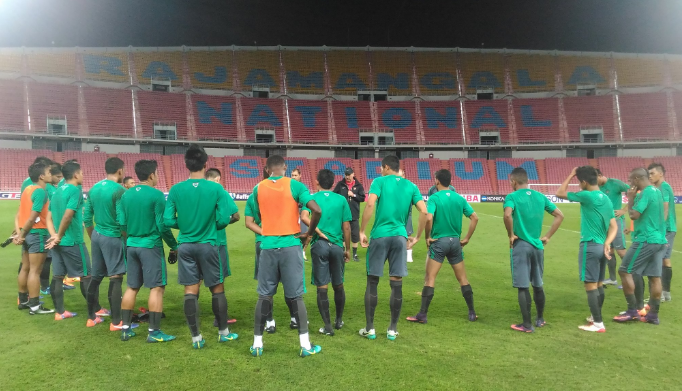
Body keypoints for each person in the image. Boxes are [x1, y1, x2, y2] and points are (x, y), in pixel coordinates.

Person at [163, 145, 240, 349]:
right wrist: (212, 226)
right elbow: (228, 217)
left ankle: (196, 338)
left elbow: (168, 220)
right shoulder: (215, 188)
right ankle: (223, 332)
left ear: (186, 164)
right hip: (208, 244)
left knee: (190, 290)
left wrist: (186, 225)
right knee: (217, 288)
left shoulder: (176, 189)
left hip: (186, 245)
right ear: (206, 165)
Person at [249, 155, 322, 358]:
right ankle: (305, 345)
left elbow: (249, 220)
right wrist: (308, 233)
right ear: (285, 167)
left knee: (264, 295)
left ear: (266, 169)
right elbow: (316, 210)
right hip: (290, 246)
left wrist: (266, 232)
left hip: (268, 246)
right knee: (296, 296)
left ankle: (257, 344)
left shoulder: (258, 188)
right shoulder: (295, 186)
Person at [359, 155, 427, 341]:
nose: (381, 171)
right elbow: (425, 212)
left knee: (373, 280)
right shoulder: (411, 186)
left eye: (382, 168)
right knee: (396, 282)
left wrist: (362, 230)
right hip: (399, 237)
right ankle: (392, 329)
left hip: (380, 235)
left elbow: (371, 203)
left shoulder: (379, 182)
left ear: (387, 167)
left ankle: (370, 328)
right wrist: (418, 236)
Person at [406, 169, 479, 324]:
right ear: (450, 181)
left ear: (437, 181)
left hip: (439, 242)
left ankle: (422, 315)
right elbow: (474, 217)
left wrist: (427, 237)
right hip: (455, 242)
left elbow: (429, 216)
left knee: (430, 278)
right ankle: (472, 312)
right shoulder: (459, 198)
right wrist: (466, 238)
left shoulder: (434, 198)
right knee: (463, 279)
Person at [118, 160, 178, 342]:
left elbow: (122, 223)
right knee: (157, 287)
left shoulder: (126, 196)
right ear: (152, 175)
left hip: (132, 244)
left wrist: (131, 239)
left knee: (132, 287)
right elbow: (162, 225)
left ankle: (126, 329)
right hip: (150, 245)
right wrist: (174, 246)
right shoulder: (157, 195)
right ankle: (154, 332)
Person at [557, 166, 617, 333]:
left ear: (583, 182)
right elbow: (613, 226)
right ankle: (595, 316)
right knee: (598, 285)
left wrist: (570, 174)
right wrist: (608, 243)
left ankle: (598, 323)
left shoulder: (586, 195)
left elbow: (560, 193)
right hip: (603, 247)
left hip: (589, 245)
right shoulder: (606, 198)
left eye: (578, 182)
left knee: (590, 286)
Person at [503, 167, 564, 333]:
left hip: (521, 245)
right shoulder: (540, 196)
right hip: (538, 246)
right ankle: (540, 318)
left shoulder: (512, 197)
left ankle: (527, 325)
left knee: (523, 286)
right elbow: (560, 215)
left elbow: (508, 215)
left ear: (514, 182)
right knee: (537, 284)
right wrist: (548, 236)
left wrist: (511, 234)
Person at [613, 168, 667, 325]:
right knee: (654, 277)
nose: (630, 184)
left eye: (631, 180)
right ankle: (653, 315)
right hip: (659, 239)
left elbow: (633, 215)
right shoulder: (657, 191)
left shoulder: (645, 193)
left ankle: (632, 311)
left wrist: (630, 199)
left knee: (624, 270)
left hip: (646, 239)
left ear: (637, 179)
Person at [301, 169, 352, 336]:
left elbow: (304, 216)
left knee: (322, 286)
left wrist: (316, 230)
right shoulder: (341, 199)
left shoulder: (311, 198)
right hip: (337, 246)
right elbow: (346, 227)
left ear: (317, 182)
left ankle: (327, 326)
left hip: (320, 245)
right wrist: (348, 249)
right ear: (333, 183)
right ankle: (338, 320)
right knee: (338, 284)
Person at [46, 160, 94, 323]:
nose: (82, 175)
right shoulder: (75, 191)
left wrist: (54, 235)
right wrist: (58, 235)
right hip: (73, 241)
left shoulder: (57, 191)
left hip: (58, 243)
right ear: (75, 174)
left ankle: (60, 312)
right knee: (86, 275)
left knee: (58, 276)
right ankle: (92, 316)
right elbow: (68, 215)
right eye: (81, 173)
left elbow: (48, 217)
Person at [84, 157, 127, 330]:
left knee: (96, 277)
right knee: (116, 277)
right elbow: (121, 220)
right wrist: (126, 238)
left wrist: (94, 237)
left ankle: (91, 317)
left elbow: (87, 218)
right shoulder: (119, 190)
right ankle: (116, 322)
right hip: (112, 237)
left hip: (97, 235)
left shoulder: (94, 188)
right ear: (119, 171)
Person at [15, 161, 55, 315]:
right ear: (41, 176)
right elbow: (33, 218)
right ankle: (35, 305)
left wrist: (21, 234)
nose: (51, 175)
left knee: (25, 268)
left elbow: (21, 214)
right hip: (37, 233)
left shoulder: (27, 190)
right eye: (49, 172)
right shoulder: (40, 192)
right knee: (35, 271)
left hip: (28, 234)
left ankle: (23, 300)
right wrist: (22, 235)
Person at [205, 168, 238, 325]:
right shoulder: (222, 192)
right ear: (217, 179)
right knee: (218, 280)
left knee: (194, 282)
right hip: (217, 242)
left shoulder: (198, 193)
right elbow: (236, 216)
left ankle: (192, 319)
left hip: (195, 241)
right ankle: (220, 319)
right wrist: (218, 225)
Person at [596, 169, 629, 287]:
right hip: (604, 223)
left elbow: (635, 193)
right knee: (609, 250)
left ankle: (630, 279)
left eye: (595, 179)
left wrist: (624, 210)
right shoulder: (596, 187)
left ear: (600, 175)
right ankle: (612, 279)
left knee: (621, 252)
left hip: (617, 221)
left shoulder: (615, 183)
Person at [648, 163, 676, 302]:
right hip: (666, 228)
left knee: (660, 259)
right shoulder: (657, 188)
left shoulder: (663, 187)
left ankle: (661, 294)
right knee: (665, 259)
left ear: (661, 174)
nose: (650, 176)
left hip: (666, 228)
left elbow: (665, 208)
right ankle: (665, 293)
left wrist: (660, 228)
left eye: (652, 173)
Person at [333, 167, 365, 262]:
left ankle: (354, 254)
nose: (347, 177)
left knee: (355, 235)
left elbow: (362, 198)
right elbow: (334, 195)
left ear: (353, 174)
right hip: (342, 215)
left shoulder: (358, 186)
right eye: (346, 175)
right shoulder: (340, 184)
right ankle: (343, 253)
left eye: (349, 174)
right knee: (342, 234)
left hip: (354, 214)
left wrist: (353, 195)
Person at [398, 169, 417, 263]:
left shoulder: (409, 187)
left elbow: (415, 201)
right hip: (395, 215)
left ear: (404, 176)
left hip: (406, 215)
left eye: (401, 176)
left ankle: (408, 255)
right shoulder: (393, 187)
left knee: (407, 235)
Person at [291, 168, 308, 261]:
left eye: (295, 175)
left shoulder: (303, 187)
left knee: (304, 234)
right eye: (292, 175)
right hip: (290, 214)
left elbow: (306, 202)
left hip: (301, 213)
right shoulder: (288, 186)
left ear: (300, 176)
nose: (293, 177)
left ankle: (303, 252)